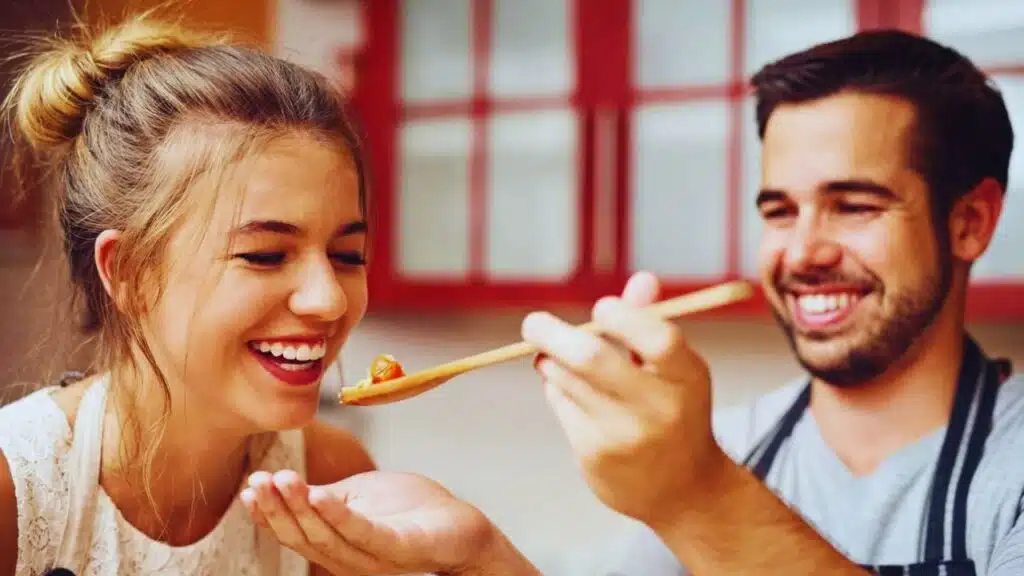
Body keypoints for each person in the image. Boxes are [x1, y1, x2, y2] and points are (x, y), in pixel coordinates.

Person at [240, 28, 1024, 576]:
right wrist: (477, 553)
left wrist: (696, 494)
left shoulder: (1007, 471)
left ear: (970, 221)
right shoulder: (726, 444)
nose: (803, 251)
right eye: (780, 211)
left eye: (854, 206)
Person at [0, 14, 529, 576]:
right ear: (128, 271)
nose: (329, 300)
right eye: (266, 255)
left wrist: (481, 555)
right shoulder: (15, 493)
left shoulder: (331, 476)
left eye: (348, 255)